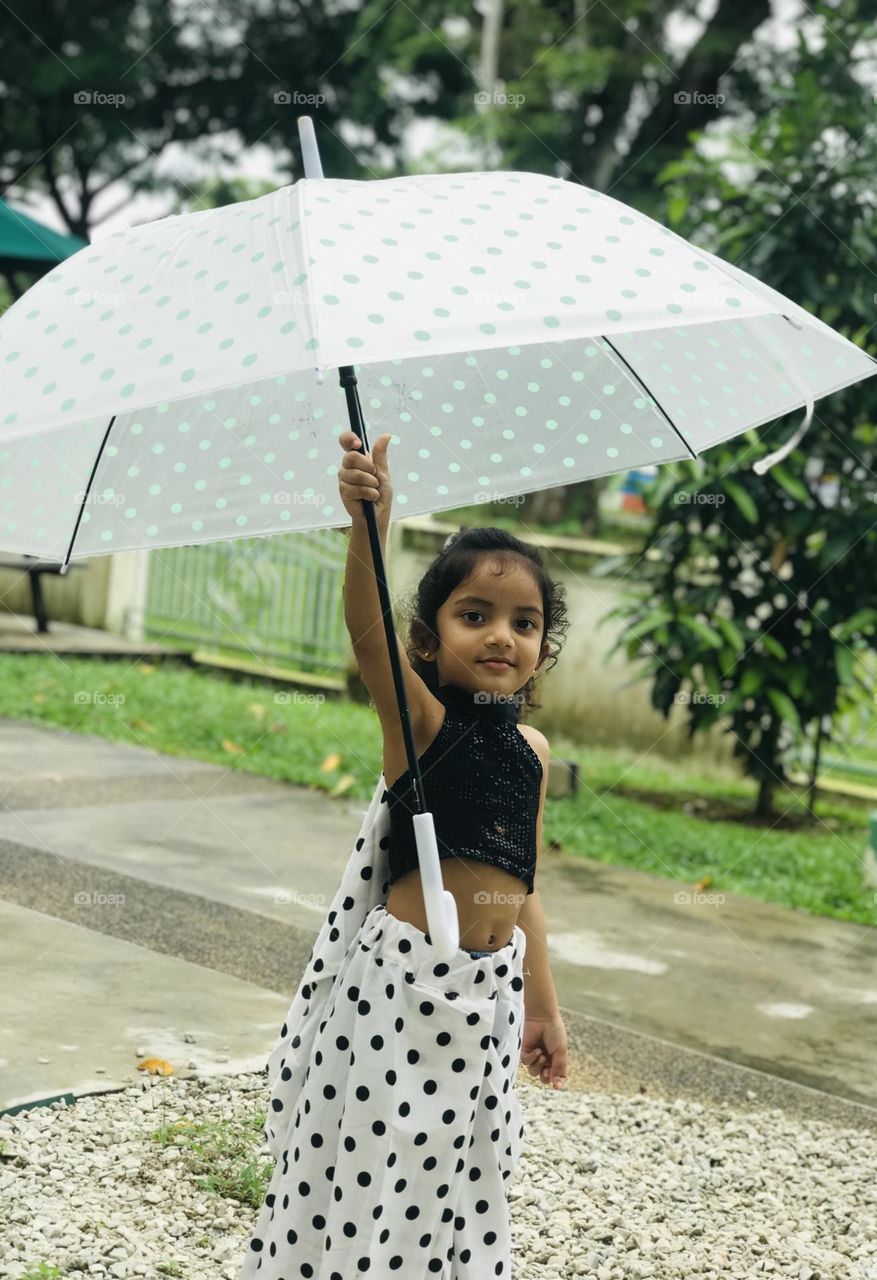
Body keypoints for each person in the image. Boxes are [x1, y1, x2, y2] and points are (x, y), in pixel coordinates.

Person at [238, 430, 570, 1280]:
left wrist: (543, 1007)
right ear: (430, 641)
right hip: (403, 1002)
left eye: (523, 623)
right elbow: (365, 632)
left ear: (543, 646)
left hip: (487, 1003)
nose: (502, 636)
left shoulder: (532, 753)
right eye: (475, 616)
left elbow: (524, 886)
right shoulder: (422, 729)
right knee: (379, 1175)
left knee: (459, 1182)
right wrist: (367, 525)